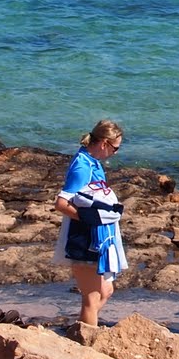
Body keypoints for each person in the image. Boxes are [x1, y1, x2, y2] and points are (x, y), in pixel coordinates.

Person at [53, 119, 128, 327]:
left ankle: (77, 333)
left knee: (106, 290)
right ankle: (85, 343)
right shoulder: (82, 166)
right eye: (115, 148)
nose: (116, 153)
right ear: (104, 143)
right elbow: (61, 203)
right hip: (85, 237)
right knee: (92, 298)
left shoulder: (92, 162)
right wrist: (90, 220)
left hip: (99, 237)